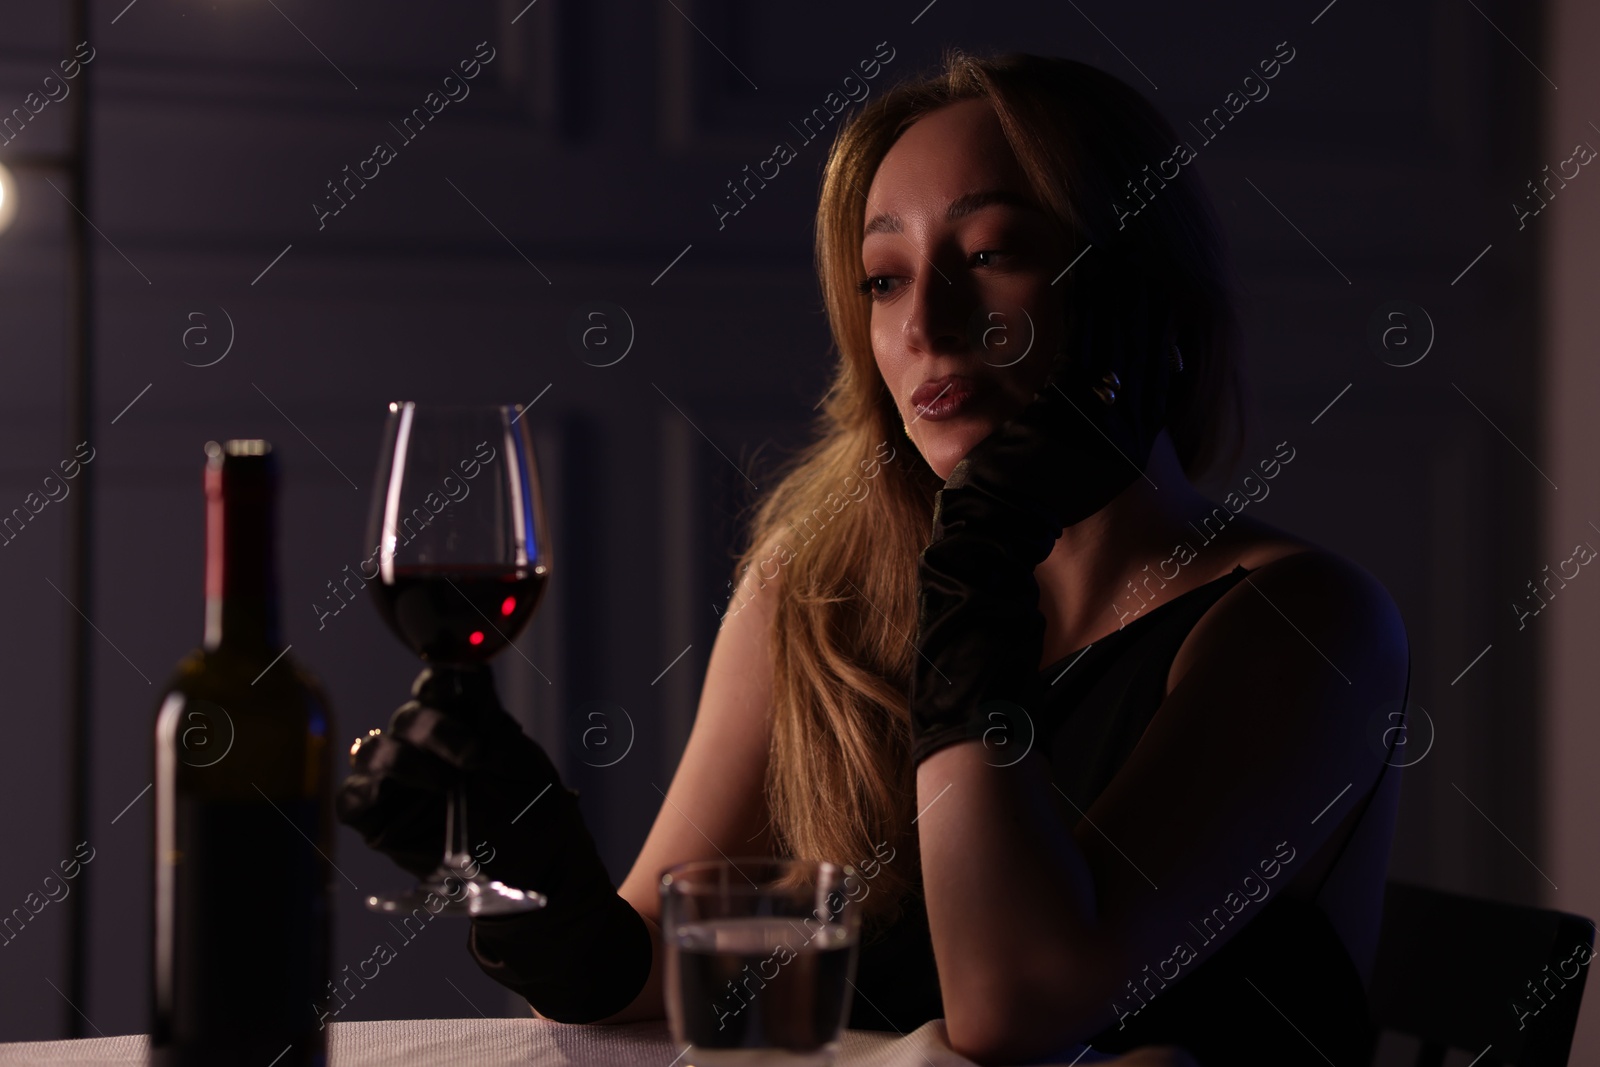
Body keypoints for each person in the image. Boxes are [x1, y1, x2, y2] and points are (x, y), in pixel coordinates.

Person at [338, 50, 1409, 1067]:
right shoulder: (816, 586)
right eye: (882, 279)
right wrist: (542, 885)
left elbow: (1011, 1008)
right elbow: (658, 975)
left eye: (990, 253)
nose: (929, 326)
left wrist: (977, 557)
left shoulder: (1308, 622)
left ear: (1136, 296)